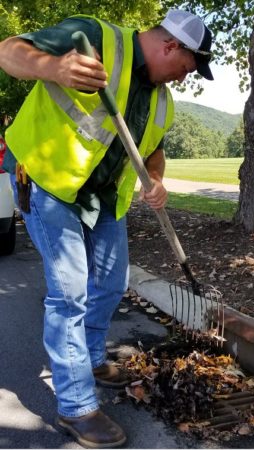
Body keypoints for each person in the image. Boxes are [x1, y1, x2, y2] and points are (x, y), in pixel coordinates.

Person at [0, 9, 213, 448]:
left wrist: (157, 180)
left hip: (104, 198)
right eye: (186, 68)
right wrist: (53, 66)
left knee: (112, 284)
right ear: (171, 46)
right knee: (70, 291)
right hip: (48, 180)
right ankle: (77, 407)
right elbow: (8, 52)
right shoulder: (94, 38)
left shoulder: (161, 101)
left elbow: (151, 153)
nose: (184, 78)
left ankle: (92, 358)